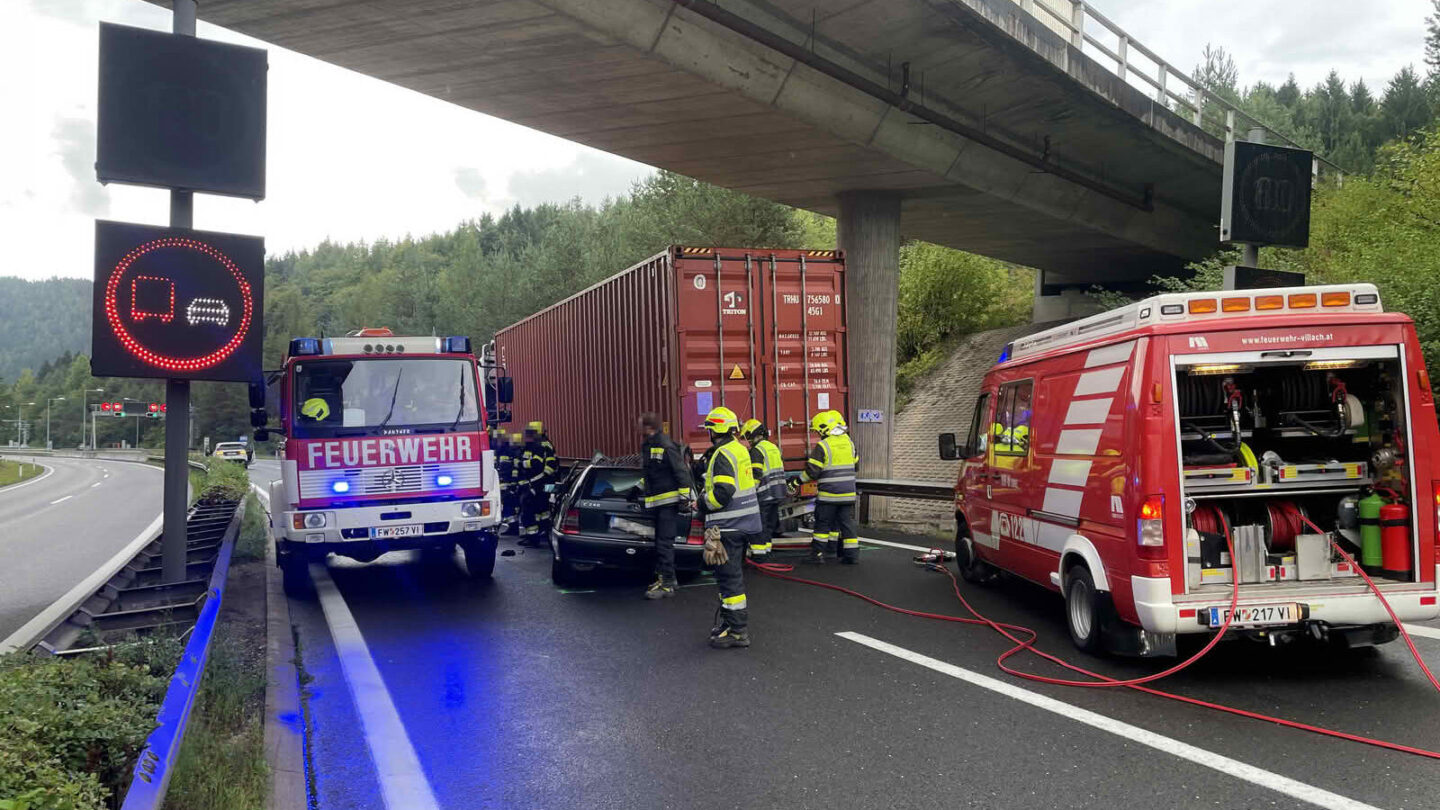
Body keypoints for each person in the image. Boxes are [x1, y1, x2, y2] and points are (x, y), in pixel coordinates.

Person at [698, 406, 762, 649]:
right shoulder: (740, 449)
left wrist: (703, 503)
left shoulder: (722, 454)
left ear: (714, 430)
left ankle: (737, 631)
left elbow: (724, 492)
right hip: (743, 524)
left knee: (729, 579)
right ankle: (730, 625)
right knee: (731, 577)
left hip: (728, 526)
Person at [638, 412, 693, 600]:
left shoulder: (665, 445)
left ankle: (667, 584)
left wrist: (685, 500)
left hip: (668, 503)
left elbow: (682, 473)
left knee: (664, 544)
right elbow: (650, 474)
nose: (638, 429)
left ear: (648, 427)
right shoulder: (650, 444)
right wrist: (636, 490)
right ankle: (669, 578)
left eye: (640, 425)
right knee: (660, 543)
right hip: (658, 502)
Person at [797, 410, 859, 564]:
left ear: (824, 429)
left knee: (822, 525)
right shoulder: (849, 443)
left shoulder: (823, 446)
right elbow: (856, 466)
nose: (818, 434)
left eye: (818, 431)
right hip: (848, 495)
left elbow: (812, 472)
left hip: (829, 495)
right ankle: (851, 556)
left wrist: (797, 481)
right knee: (847, 525)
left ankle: (817, 555)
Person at [741, 418, 785, 560]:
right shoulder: (773, 447)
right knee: (769, 525)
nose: (747, 441)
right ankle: (767, 552)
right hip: (777, 493)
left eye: (747, 437)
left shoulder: (756, 451)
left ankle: (759, 556)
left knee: (759, 526)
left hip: (764, 494)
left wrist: (749, 494)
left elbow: (756, 474)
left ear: (752, 435)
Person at [517, 421, 557, 546]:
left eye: (530, 433)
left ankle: (533, 536)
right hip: (544, 483)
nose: (527, 435)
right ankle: (543, 532)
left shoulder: (539, 446)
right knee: (542, 510)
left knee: (529, 507)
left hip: (540, 483)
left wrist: (521, 464)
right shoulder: (543, 444)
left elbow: (536, 465)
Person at [491, 427, 517, 535]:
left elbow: (514, 468)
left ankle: (513, 527)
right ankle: (510, 526)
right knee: (503, 505)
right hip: (500, 482)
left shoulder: (509, 451)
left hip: (508, 483)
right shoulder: (497, 451)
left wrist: (513, 484)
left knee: (508, 505)